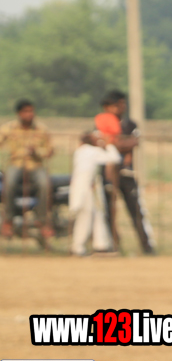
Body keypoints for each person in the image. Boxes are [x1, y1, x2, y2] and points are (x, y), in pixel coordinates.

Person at [95, 90, 155, 254]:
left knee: (135, 209)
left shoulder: (129, 124)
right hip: (107, 173)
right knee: (109, 210)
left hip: (126, 172)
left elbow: (133, 142)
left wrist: (114, 143)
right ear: (107, 107)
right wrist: (120, 143)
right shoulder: (101, 121)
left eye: (122, 103)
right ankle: (114, 245)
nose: (120, 107)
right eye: (116, 105)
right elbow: (99, 142)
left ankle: (147, 246)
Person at [1, 98, 55, 241]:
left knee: (44, 184)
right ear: (19, 113)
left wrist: (36, 151)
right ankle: (8, 221)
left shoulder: (41, 129)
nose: (29, 114)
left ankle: (42, 221)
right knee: (9, 183)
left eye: (31, 111)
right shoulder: (9, 128)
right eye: (26, 111)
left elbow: (50, 151)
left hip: (35, 165)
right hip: (16, 163)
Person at [68, 130, 120, 256]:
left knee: (97, 214)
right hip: (84, 189)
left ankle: (100, 245)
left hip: (89, 188)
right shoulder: (91, 151)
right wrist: (108, 145)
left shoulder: (81, 150)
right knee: (85, 217)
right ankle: (78, 247)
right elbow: (115, 158)